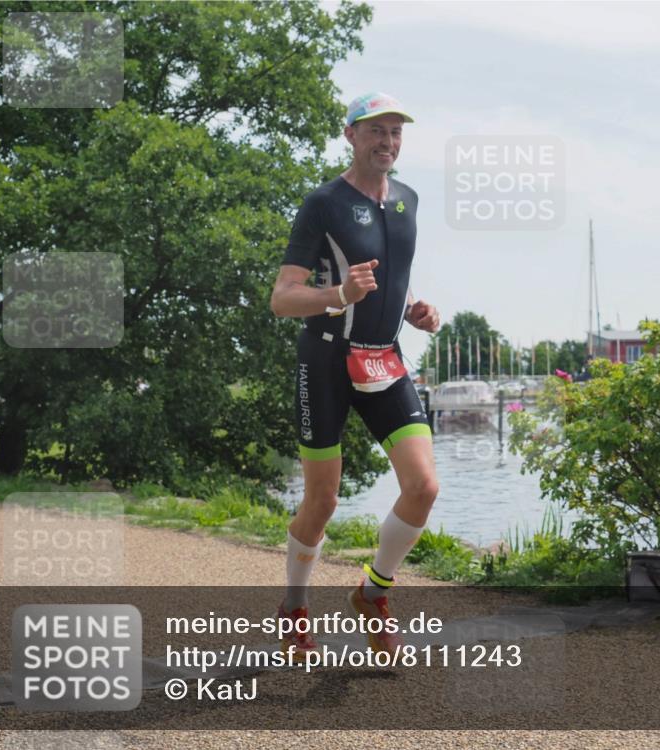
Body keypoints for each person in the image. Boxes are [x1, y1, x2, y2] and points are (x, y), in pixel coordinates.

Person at [270, 92, 441, 658]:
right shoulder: (323, 203)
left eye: (396, 132)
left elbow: (393, 276)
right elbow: (282, 298)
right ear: (350, 135)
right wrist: (339, 295)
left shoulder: (409, 200)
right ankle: (294, 608)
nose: (387, 142)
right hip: (324, 360)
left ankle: (373, 592)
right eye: (376, 132)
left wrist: (416, 309)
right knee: (322, 502)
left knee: (423, 487)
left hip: (384, 357)